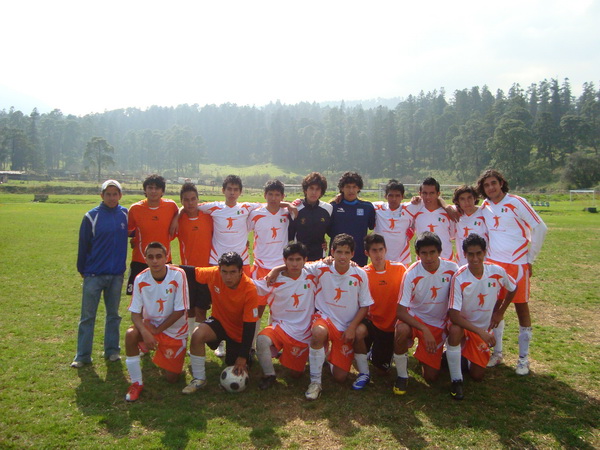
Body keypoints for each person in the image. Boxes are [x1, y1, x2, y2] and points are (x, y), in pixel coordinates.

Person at [477, 169, 548, 375]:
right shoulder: (485, 206)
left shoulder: (517, 202)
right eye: (486, 185)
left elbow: (540, 227)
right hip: (493, 265)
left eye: (493, 183)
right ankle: (497, 353)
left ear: (501, 183)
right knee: (494, 309)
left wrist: (530, 258)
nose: (491, 187)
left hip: (517, 265)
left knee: (521, 308)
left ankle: (523, 359)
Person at [446, 233, 517, 399]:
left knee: (477, 376)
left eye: (479, 253)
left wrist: (500, 312)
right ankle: (456, 380)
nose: (475, 258)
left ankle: (460, 357)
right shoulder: (459, 277)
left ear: (485, 252)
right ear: (465, 255)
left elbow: (513, 287)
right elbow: (454, 316)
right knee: (455, 330)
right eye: (470, 254)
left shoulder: (496, 271)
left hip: (482, 331)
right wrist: (480, 332)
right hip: (465, 327)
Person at [303, 233, 374, 400]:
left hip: (346, 326)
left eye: (347, 252)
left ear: (352, 254)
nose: (342, 256)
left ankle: (329, 355)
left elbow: (365, 305)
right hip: (325, 318)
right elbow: (297, 264)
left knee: (340, 377)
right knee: (318, 333)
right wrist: (276, 270)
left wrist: (352, 327)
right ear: (332, 252)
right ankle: (315, 382)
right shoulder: (322, 267)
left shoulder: (360, 274)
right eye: (339, 252)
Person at [182, 252, 260, 394]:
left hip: (238, 332)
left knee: (234, 364)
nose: (228, 277)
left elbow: (250, 326)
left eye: (232, 272)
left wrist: (242, 357)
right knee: (197, 335)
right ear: (219, 270)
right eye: (224, 272)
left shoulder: (250, 289)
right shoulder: (214, 273)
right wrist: (165, 267)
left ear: (241, 271)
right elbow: (190, 272)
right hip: (219, 322)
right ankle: (199, 379)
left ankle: (248, 354)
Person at [392, 232, 458, 395]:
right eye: (424, 253)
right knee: (401, 330)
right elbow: (401, 312)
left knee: (431, 377)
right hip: (415, 319)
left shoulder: (452, 270)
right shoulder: (411, 274)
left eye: (432, 252)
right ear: (417, 254)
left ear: (440, 251)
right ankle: (402, 376)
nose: (428, 258)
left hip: (438, 323)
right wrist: (424, 329)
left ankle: (427, 353)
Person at [72, 179, 128, 368]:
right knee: (87, 317)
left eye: (115, 194)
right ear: (102, 195)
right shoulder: (91, 216)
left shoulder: (125, 215)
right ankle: (82, 356)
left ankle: (112, 351)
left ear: (120, 195)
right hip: (94, 275)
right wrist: (83, 270)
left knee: (113, 315)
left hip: (116, 275)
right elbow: (83, 245)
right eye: (108, 194)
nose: (111, 198)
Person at [124, 242, 189, 402]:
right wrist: (145, 332)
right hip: (150, 327)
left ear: (166, 258)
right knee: (130, 334)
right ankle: (136, 383)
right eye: (150, 257)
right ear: (145, 259)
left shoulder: (178, 275)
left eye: (159, 256)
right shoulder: (140, 278)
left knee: (172, 378)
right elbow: (135, 313)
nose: (155, 261)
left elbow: (180, 310)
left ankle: (159, 349)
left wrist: (156, 331)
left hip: (174, 331)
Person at [253, 242, 315, 390]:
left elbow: (332, 263)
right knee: (261, 340)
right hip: (281, 327)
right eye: (290, 260)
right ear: (284, 260)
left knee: (296, 374)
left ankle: (289, 354)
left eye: (298, 260)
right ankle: (269, 375)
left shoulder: (313, 274)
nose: (294, 264)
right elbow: (251, 286)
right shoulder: (273, 280)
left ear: (305, 260)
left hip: (303, 333)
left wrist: (277, 268)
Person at [352, 233, 406, 390]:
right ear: (367, 253)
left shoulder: (400, 269)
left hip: (390, 327)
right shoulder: (362, 273)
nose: (378, 254)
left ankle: (376, 354)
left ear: (385, 250)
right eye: (374, 250)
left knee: (382, 371)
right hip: (372, 322)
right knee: (358, 333)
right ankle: (364, 373)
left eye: (381, 249)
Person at [126, 174, 179, 295]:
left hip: (164, 259)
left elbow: (182, 211)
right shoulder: (135, 209)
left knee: (165, 296)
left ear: (162, 191)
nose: (153, 191)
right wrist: (134, 239)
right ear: (145, 190)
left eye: (157, 188)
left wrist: (176, 218)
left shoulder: (171, 206)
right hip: (140, 260)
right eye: (150, 187)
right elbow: (128, 230)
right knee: (139, 297)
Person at [198, 175, 261, 274]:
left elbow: (270, 205)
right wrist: (178, 216)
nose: (232, 193)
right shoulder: (215, 207)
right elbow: (191, 206)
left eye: (236, 190)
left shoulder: (246, 207)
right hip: (217, 259)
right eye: (229, 189)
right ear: (223, 190)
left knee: (244, 284)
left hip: (242, 260)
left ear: (240, 192)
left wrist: (286, 205)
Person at [176, 182, 213, 334]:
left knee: (202, 310)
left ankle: (200, 340)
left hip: (206, 270)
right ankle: (192, 339)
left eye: (193, 199)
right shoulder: (179, 220)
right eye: (186, 200)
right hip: (187, 271)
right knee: (189, 309)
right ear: (181, 201)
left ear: (198, 199)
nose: (190, 203)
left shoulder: (208, 217)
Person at [328, 171, 375, 266]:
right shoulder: (333, 206)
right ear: (342, 188)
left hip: (359, 253)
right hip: (338, 254)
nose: (351, 190)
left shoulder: (367, 207)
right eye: (348, 187)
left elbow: (372, 226)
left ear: (359, 188)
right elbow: (326, 230)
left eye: (354, 187)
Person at [405, 177, 455, 261]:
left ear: (438, 194)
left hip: (446, 259)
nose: (428, 197)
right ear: (420, 194)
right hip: (423, 260)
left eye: (432, 193)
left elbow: (452, 235)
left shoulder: (449, 212)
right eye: (424, 193)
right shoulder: (415, 210)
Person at [288, 172, 332, 261]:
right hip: (299, 258)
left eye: (317, 189)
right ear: (305, 190)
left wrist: (324, 242)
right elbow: (290, 235)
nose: (314, 192)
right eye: (311, 188)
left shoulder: (328, 208)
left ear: (321, 191)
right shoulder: (295, 208)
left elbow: (330, 231)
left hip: (320, 257)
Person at [372, 179, 414, 266]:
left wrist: (417, 198)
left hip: (402, 260)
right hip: (380, 260)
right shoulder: (377, 207)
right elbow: (359, 203)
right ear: (385, 196)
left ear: (402, 197)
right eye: (390, 195)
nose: (394, 199)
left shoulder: (409, 208)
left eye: (397, 196)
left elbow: (430, 200)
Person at [451, 185, 487, 267]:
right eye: (462, 199)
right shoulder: (455, 214)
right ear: (457, 201)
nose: (466, 202)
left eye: (469, 198)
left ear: (475, 198)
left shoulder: (484, 213)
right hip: (462, 264)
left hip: (483, 263)